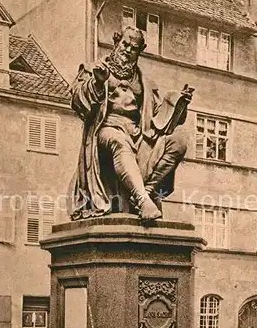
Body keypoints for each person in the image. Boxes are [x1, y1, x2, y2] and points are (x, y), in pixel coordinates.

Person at [68, 26, 193, 222]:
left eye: (133, 48)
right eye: (125, 44)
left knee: (179, 140)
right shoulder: (94, 69)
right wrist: (98, 83)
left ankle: (147, 191)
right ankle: (143, 200)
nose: (127, 50)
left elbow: (159, 118)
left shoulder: (144, 82)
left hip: (140, 134)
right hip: (106, 130)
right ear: (116, 43)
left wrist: (179, 105)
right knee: (118, 140)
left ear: (139, 51)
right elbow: (77, 101)